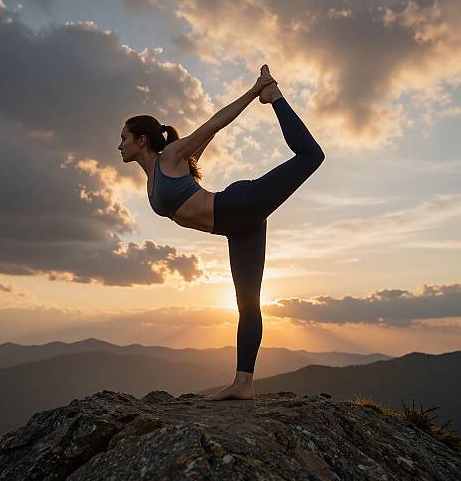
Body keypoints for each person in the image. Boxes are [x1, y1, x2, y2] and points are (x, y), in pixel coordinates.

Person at [118, 65, 325, 401]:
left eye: (124, 138)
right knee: (248, 306)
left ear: (141, 140)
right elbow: (209, 136)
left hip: (240, 205)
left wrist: (255, 91)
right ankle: (244, 383)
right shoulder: (155, 175)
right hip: (239, 228)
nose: (120, 145)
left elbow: (214, 124)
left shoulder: (170, 156)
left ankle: (275, 97)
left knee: (312, 156)